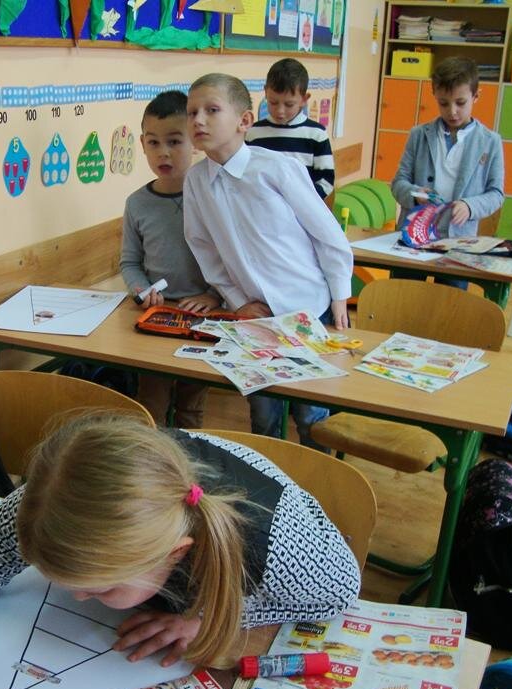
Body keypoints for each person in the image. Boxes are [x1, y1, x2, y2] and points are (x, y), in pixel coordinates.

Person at [0, 412, 360, 689]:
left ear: (175, 554)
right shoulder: (61, 493)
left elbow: (341, 592)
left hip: (273, 536)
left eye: (101, 588)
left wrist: (206, 617)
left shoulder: (275, 551)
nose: (79, 597)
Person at [182, 73, 353, 447]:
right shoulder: (195, 180)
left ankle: (319, 474)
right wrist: (237, 301)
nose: (198, 120)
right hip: (255, 315)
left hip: (309, 308)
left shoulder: (277, 168)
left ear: (244, 121)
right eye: (192, 112)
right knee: (263, 414)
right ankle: (271, 475)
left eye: (212, 110)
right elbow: (203, 248)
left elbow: (327, 234)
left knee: (311, 415)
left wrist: (340, 295)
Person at [121, 90, 219, 428]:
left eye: (175, 142)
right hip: (156, 318)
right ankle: (155, 461)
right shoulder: (137, 203)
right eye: (153, 142)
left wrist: (213, 295)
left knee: (191, 408)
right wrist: (140, 289)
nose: (163, 152)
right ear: (142, 144)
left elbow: (232, 259)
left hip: (204, 318)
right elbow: (130, 262)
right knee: (151, 404)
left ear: (194, 141)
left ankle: (188, 462)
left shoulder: (211, 196)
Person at [391, 57, 504, 289]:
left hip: (458, 243)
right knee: (402, 298)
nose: (452, 112)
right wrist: (415, 195)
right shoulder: (419, 135)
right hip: (414, 237)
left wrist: (470, 206)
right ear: (434, 95)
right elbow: (398, 183)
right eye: (443, 103)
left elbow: (496, 194)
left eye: (460, 103)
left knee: (449, 304)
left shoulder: (490, 141)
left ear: (476, 96)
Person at [246, 58, 335, 200]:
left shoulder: (316, 134)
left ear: (304, 99)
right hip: (262, 206)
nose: (280, 111)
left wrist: (303, 200)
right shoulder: (253, 133)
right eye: (273, 102)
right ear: (266, 92)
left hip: (302, 208)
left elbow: (326, 182)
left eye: (289, 104)